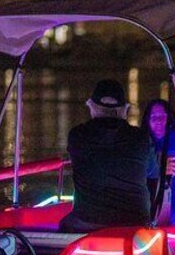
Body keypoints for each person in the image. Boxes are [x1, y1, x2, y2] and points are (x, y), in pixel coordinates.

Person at [59, 79, 157, 233]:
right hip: (135, 222)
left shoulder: (77, 135)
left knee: (64, 224)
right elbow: (152, 170)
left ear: (92, 107)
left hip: (88, 221)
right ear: (124, 110)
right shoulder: (141, 137)